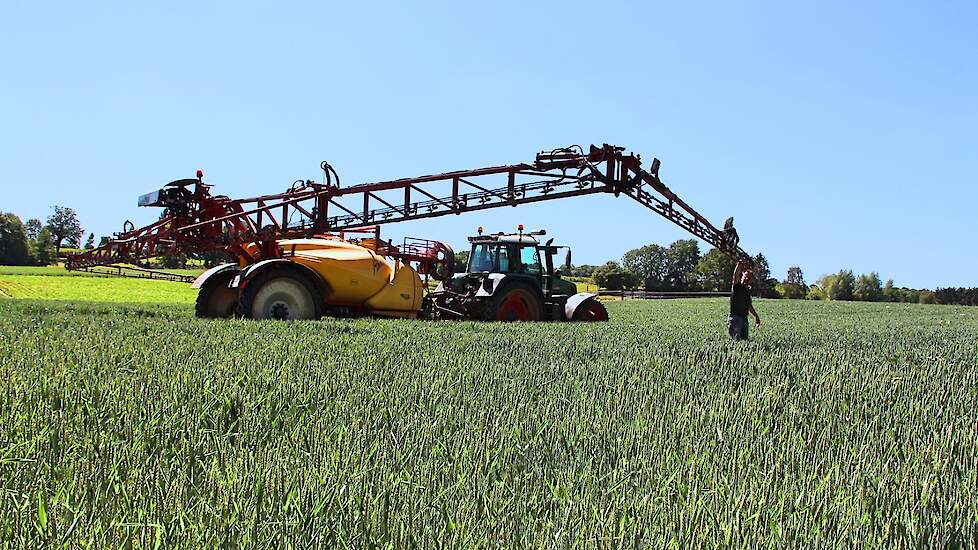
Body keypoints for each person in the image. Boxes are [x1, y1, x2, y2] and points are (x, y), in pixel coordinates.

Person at [728, 259, 761, 341]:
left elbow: (749, 306)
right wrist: (739, 265)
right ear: (742, 277)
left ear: (751, 281)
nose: (747, 279)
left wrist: (756, 317)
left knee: (745, 342)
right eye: (745, 277)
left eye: (749, 278)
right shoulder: (737, 286)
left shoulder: (747, 291)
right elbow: (735, 275)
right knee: (735, 341)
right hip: (735, 318)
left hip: (744, 319)